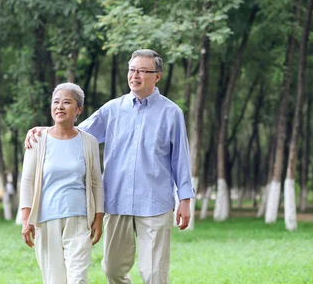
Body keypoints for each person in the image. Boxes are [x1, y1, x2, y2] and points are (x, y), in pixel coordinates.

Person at [26, 49, 195, 284]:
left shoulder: (171, 113)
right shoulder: (112, 110)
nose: (135, 75)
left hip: (155, 202)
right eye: (132, 70)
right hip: (117, 202)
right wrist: (43, 132)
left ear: (157, 76)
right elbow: (75, 132)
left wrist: (185, 200)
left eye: (142, 71)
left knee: (154, 274)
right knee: (114, 271)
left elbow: (181, 158)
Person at [20, 82, 104, 284]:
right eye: (56, 102)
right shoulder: (38, 139)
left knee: (77, 279)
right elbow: (27, 181)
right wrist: (26, 219)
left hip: (80, 218)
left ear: (79, 109)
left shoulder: (88, 141)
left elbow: (96, 182)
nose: (60, 107)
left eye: (67, 102)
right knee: (54, 280)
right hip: (47, 219)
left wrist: (99, 218)